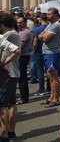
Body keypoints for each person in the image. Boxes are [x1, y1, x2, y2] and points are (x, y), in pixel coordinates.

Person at [0, 13, 22, 142]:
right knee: (11, 102)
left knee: (3, 103)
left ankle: (4, 134)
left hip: (7, 71)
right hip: (13, 71)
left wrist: (3, 62)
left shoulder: (7, 35)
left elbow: (13, 51)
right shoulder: (15, 33)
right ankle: (11, 131)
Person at [39, 8, 60, 108]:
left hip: (52, 52)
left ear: (55, 15)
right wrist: (42, 36)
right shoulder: (49, 25)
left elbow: (46, 38)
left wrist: (42, 36)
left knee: (54, 76)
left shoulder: (57, 25)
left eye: (49, 14)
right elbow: (40, 35)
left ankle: (56, 99)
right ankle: (51, 97)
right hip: (47, 52)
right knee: (50, 76)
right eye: (47, 14)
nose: (47, 16)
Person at [16, 16, 32, 105]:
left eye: (20, 22)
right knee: (20, 77)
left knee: (22, 77)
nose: (18, 24)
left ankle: (24, 98)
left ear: (25, 22)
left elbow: (21, 46)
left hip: (23, 56)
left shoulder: (26, 32)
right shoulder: (20, 31)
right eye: (17, 22)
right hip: (21, 56)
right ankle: (23, 97)